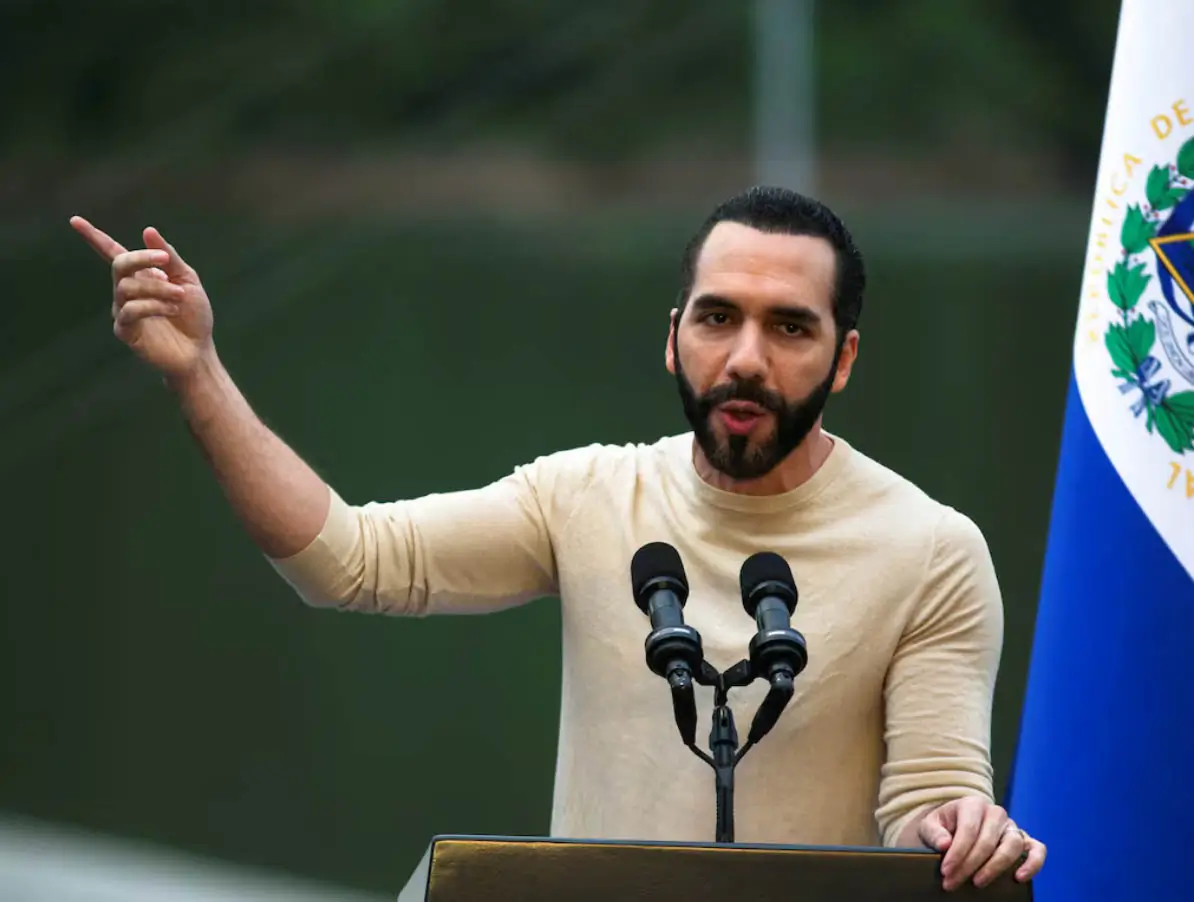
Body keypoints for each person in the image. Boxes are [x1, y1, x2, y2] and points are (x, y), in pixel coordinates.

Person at [70, 186, 1045, 891]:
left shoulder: (932, 549)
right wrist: (198, 372)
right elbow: (349, 560)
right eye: (719, 317)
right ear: (673, 339)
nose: (746, 357)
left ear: (844, 359)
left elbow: (928, 800)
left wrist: (962, 832)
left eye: (790, 327)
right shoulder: (586, 494)